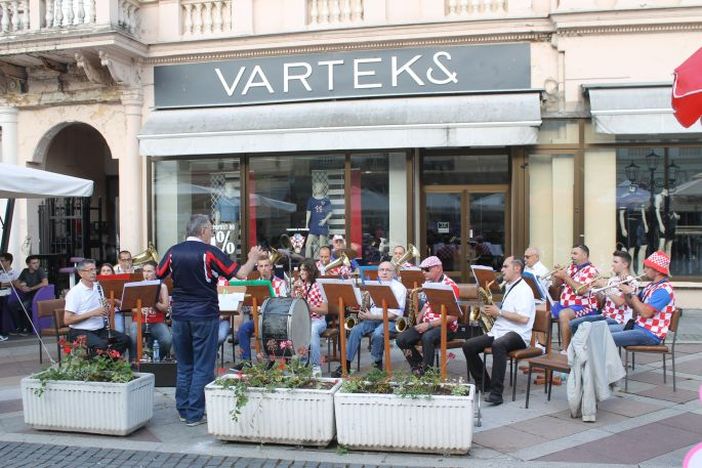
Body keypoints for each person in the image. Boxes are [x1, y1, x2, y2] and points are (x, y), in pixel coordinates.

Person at [156, 214, 262, 426]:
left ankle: (183, 409)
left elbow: (158, 274)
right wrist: (253, 258)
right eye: (211, 230)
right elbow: (240, 274)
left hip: (179, 316)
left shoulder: (173, 251)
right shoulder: (209, 252)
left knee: (185, 364)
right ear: (203, 230)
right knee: (203, 366)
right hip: (204, 313)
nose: (212, 234)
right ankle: (195, 413)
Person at [462, 257, 535, 405]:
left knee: (498, 345)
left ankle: (497, 393)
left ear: (516, 269)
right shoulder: (509, 286)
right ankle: (484, 384)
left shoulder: (524, 290)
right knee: (468, 345)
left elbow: (524, 319)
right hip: (500, 331)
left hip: (519, 334)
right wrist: (490, 311)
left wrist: (499, 312)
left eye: (505, 266)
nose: (501, 270)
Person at [332, 261, 407, 377]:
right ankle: (345, 364)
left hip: (392, 321)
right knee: (356, 330)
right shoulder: (373, 285)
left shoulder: (399, 288)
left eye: (388, 270)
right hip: (373, 319)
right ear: (378, 272)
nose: (384, 272)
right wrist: (363, 303)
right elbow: (370, 306)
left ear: (394, 273)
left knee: (377, 334)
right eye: (382, 270)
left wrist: (371, 316)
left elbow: (394, 315)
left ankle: (377, 364)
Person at [396, 256, 459, 375]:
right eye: (422, 270)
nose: (423, 272)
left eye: (426, 269)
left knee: (427, 337)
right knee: (401, 339)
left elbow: (453, 317)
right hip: (428, 325)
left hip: (447, 327)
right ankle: (419, 366)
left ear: (438, 268)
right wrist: (416, 323)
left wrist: (429, 325)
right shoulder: (429, 283)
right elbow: (426, 306)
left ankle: (425, 372)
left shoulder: (450, 286)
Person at [63, 259, 130, 356]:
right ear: (81, 273)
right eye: (89, 270)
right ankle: (96, 365)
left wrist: (106, 309)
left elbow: (101, 308)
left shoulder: (98, 287)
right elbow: (67, 320)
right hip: (80, 331)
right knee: (101, 346)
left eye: (94, 269)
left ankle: (106, 365)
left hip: (99, 329)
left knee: (124, 339)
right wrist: (93, 313)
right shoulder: (74, 293)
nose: (94, 273)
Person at [233, 257, 289, 369]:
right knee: (243, 329)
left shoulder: (280, 283)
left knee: (267, 331)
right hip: (258, 319)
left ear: (271, 267)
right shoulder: (255, 284)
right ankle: (246, 362)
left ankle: (271, 360)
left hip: (275, 321)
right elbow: (249, 302)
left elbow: (282, 305)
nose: (264, 269)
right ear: (257, 268)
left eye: (266, 265)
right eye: (261, 266)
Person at [611, 251, 676, 347]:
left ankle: (609, 362)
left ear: (657, 271)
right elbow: (632, 305)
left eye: (647, 267)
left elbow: (645, 313)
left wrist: (631, 293)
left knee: (606, 337)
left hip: (650, 333)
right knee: (601, 331)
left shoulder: (664, 290)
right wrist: (625, 290)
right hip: (638, 327)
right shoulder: (651, 286)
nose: (644, 270)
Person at [569, 251, 636, 336]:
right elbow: (603, 302)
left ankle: (587, 347)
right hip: (605, 314)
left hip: (619, 319)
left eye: (615, 262)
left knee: (587, 329)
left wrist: (604, 286)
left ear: (625, 264)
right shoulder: (612, 279)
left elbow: (620, 302)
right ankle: (583, 348)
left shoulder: (631, 281)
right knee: (573, 324)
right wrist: (597, 289)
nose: (612, 264)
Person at [551, 244, 599, 351]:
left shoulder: (591, 270)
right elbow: (555, 285)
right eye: (571, 253)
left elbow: (581, 290)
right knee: (540, 309)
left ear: (585, 255)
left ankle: (566, 350)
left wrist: (565, 276)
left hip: (585, 306)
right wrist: (555, 274)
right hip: (566, 304)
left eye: (575, 253)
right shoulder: (571, 268)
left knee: (564, 315)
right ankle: (541, 345)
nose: (572, 256)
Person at [129, 260, 172, 361]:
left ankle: (155, 359)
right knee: (133, 335)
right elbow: (132, 308)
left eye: (149, 271)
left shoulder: (162, 286)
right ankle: (134, 361)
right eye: (144, 271)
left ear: (156, 272)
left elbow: (165, 308)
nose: (146, 274)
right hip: (140, 320)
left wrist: (154, 302)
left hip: (157, 321)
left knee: (167, 340)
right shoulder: (137, 285)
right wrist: (140, 310)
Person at [291, 259, 328, 375]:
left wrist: (309, 307)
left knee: (311, 330)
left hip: (318, 319)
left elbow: (325, 310)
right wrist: (293, 289)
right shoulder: (299, 286)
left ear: (311, 271)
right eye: (300, 270)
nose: (300, 272)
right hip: (302, 320)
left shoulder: (318, 286)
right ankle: (302, 363)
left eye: (304, 270)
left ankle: (316, 366)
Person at [8, 255, 48, 336]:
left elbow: (45, 283)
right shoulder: (25, 271)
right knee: (12, 304)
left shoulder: (40, 271)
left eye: (37, 262)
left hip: (37, 296)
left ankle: (27, 328)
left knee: (25, 305)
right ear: (28, 264)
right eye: (33, 263)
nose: (36, 264)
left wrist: (30, 288)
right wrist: (22, 288)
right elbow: (16, 282)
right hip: (26, 295)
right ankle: (19, 327)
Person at [305, 182, 333, 258]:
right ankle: (308, 261)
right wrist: (306, 224)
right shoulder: (311, 200)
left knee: (322, 246)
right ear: (314, 188)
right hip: (313, 224)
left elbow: (330, 212)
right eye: (317, 187)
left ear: (322, 188)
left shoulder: (326, 200)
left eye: (320, 187)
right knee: (308, 244)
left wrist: (324, 220)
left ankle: (322, 262)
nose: (318, 188)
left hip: (322, 225)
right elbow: (308, 212)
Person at [0, 253, 20, 341]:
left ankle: (4, 332)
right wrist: (10, 283)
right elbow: (13, 283)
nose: (0, 262)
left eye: (2, 261)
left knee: (4, 304)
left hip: (9, 294)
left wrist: (3, 284)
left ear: (8, 261)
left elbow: (16, 284)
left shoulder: (15, 273)